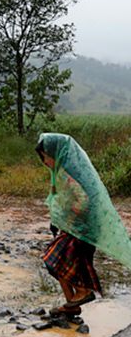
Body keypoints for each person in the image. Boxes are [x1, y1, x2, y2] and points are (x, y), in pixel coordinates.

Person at [36, 133, 131, 316]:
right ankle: (72, 304)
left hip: (81, 230)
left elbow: (83, 201)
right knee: (54, 262)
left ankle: (81, 294)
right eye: (43, 158)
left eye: (46, 157)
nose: (45, 162)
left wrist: (67, 217)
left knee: (53, 260)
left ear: (56, 154)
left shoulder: (66, 173)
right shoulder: (63, 172)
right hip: (78, 229)